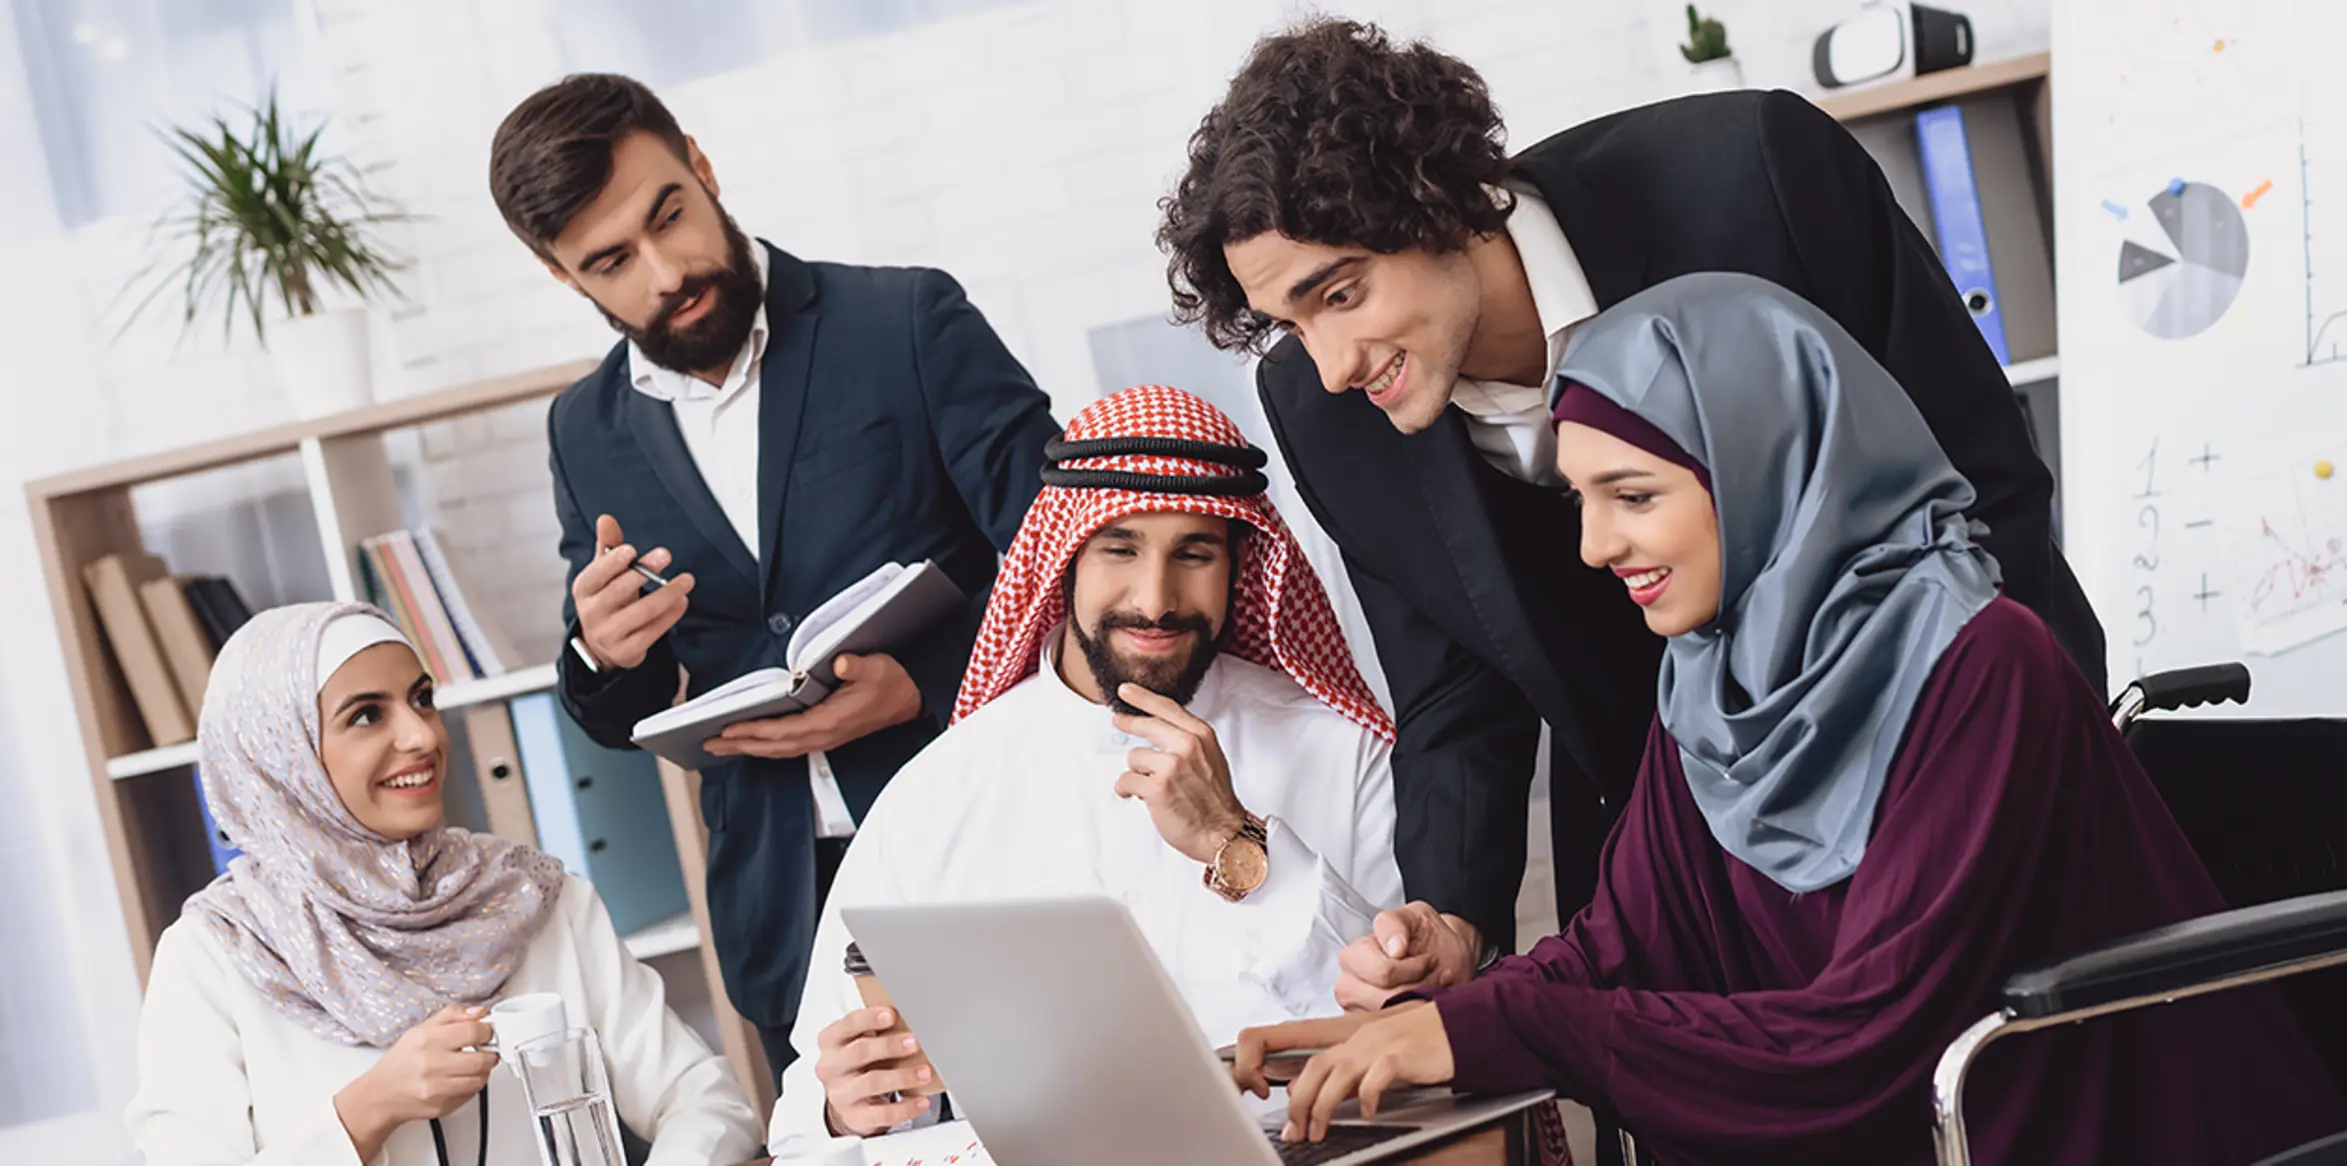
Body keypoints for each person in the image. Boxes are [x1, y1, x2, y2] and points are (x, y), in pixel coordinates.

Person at [1228, 275, 2347, 1164]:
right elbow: (1621, 950)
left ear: (1764, 466)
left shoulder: (1981, 661)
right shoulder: (1708, 677)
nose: (1595, 546)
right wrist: (1430, 1026)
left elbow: (1871, 1037)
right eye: (1583, 498)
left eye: (1633, 495)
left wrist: (1497, 1031)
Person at [1155, 20, 2105, 991]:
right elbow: (1452, 696)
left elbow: (1979, 479)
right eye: (1289, 323)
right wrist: (1454, 917)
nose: (1330, 365)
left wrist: (2019, 779)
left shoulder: (1756, 181)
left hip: (1954, 785)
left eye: (1341, 295)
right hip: (1664, 886)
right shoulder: (1322, 416)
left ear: (1435, 202)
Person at [488, 73, 1059, 1071]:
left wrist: (925, 683)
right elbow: (623, 708)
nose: (667, 272)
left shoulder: (905, 319)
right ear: (562, 275)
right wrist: (602, 650)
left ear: (702, 166)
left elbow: (1071, 553)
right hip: (787, 917)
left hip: (989, 847)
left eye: (669, 214)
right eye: (612, 261)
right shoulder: (583, 430)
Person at [765, 386, 1402, 1152]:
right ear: (1064, 556)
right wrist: (842, 1109)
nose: (1156, 600)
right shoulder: (939, 792)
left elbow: (1411, 1027)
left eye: (1194, 554)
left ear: (1239, 564)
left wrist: (1237, 842)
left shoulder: (1342, 750)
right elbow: (807, 1122)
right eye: (1120, 549)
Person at [128, 603, 761, 1166]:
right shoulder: (218, 952)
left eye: (422, 699)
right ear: (281, 756)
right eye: (367, 715)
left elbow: (704, 1100)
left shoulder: (530, 895)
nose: (423, 735)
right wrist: (369, 1109)